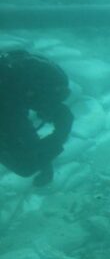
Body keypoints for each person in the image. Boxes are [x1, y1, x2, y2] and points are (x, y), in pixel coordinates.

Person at [0, 50, 74, 187]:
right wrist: (60, 134)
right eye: (51, 101)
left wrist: (45, 165)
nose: (45, 113)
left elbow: (24, 133)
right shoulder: (8, 98)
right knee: (25, 165)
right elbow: (24, 161)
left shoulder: (13, 93)